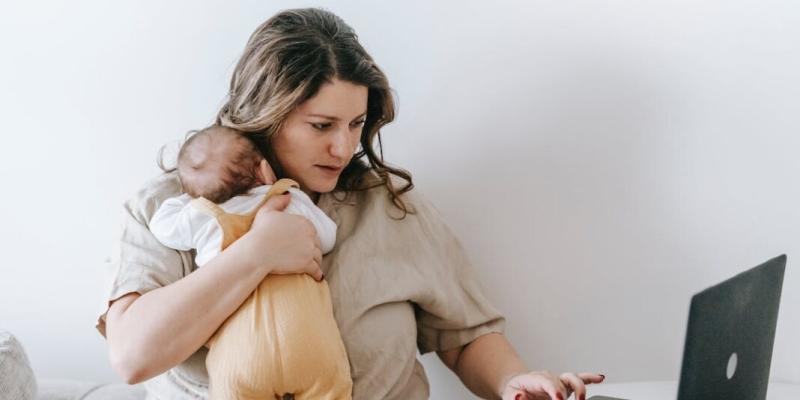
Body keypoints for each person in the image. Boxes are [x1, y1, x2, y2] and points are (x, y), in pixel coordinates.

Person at [97, 7, 605, 400]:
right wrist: (254, 256)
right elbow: (133, 355)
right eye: (321, 126)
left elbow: (465, 335)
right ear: (264, 115)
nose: (343, 148)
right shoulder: (170, 210)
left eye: (356, 124)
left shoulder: (389, 208)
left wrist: (515, 382)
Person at [149, 125, 352, 399]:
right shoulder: (286, 197)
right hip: (309, 347)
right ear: (265, 170)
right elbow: (327, 237)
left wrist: (194, 194)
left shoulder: (203, 214)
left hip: (241, 356)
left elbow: (161, 226)